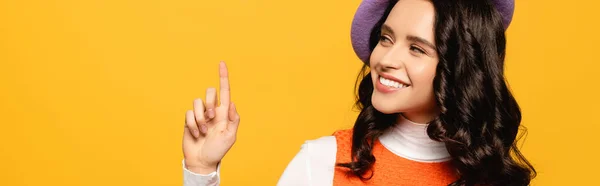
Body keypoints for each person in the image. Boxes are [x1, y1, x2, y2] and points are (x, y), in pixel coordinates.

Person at [181, 0, 536, 185]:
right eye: (386, 38)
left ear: (461, 67)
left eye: (417, 48)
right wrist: (201, 171)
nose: (385, 59)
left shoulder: (494, 177)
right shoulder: (321, 162)